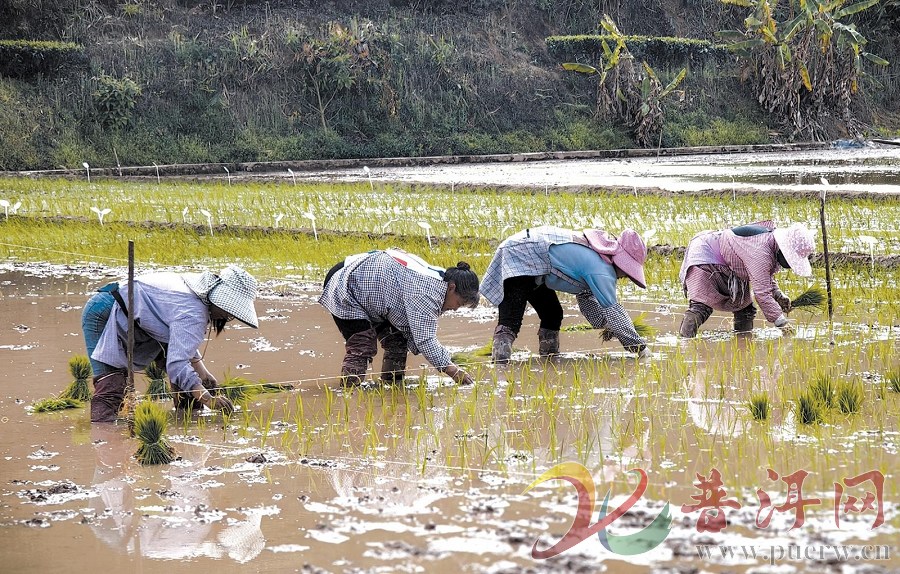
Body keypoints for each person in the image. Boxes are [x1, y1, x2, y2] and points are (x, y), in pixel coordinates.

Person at [82, 264, 260, 422]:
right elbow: (177, 364)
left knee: (189, 382)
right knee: (112, 386)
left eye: (233, 313)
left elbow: (180, 341)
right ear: (218, 298)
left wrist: (204, 375)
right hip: (105, 310)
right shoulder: (194, 312)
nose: (228, 317)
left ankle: (186, 419)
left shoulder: (198, 294)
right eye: (228, 310)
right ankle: (104, 440)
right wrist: (208, 400)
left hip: (139, 320)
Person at [481, 226, 650, 362]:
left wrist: (608, 324)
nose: (626, 276)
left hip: (537, 266)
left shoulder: (598, 258)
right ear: (621, 262)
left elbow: (586, 298)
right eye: (628, 272)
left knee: (552, 314)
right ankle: (500, 369)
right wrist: (640, 348)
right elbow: (614, 310)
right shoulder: (602, 270)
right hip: (521, 254)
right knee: (510, 321)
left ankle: (549, 360)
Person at [318, 248, 480, 386]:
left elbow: (415, 334)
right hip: (347, 283)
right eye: (458, 303)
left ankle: (392, 386)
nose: (455, 309)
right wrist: (452, 370)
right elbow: (425, 340)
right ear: (452, 288)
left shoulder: (441, 283)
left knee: (397, 341)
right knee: (362, 345)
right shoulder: (427, 293)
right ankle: (349, 394)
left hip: (376, 294)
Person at [678, 221, 815, 337]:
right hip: (706, 256)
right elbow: (761, 294)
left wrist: (778, 295)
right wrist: (782, 323)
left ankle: (742, 344)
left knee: (745, 309)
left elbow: (762, 275)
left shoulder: (769, 244)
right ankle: (685, 343)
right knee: (701, 307)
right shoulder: (760, 251)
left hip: (730, 264)